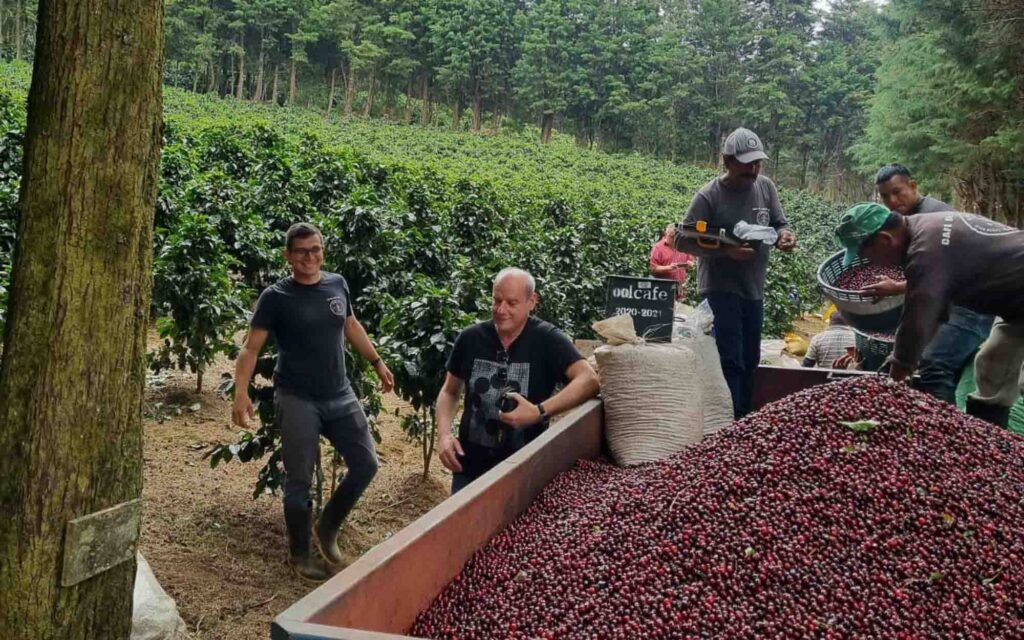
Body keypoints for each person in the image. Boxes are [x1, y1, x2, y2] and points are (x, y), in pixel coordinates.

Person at [231, 222, 395, 583]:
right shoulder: (276, 297)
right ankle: (301, 555)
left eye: (316, 249)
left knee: (366, 464)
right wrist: (240, 391)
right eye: (302, 251)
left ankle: (328, 527)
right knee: (300, 480)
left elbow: (351, 324)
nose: (310, 257)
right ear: (288, 256)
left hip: (339, 393)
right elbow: (251, 347)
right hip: (297, 398)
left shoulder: (337, 284)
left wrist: (377, 362)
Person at [834, 203, 1024, 427]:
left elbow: (920, 314)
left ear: (885, 240)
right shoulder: (926, 229)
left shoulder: (926, 250)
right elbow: (939, 284)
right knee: (992, 365)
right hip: (1017, 309)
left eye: (867, 256)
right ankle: (990, 443)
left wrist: (900, 365)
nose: (870, 264)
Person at [435, 268, 600, 494]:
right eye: (497, 300)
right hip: (470, 468)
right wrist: (444, 435)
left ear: (532, 301)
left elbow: (589, 379)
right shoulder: (471, 338)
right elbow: (449, 392)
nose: (501, 310)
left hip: (526, 468)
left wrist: (539, 411)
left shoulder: (548, 340)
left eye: (512, 303)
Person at [678, 127, 797, 418]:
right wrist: (724, 252)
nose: (753, 169)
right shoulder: (709, 196)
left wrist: (785, 236)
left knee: (751, 357)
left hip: (752, 288)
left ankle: (743, 416)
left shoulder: (766, 187)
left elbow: (781, 222)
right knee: (731, 359)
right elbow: (683, 239)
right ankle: (730, 420)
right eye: (746, 163)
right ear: (727, 161)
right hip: (719, 288)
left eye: (757, 163)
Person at [870, 164, 995, 403]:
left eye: (898, 192)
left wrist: (903, 354)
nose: (892, 201)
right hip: (957, 301)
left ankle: (946, 433)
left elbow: (933, 284)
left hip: (973, 306)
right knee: (933, 364)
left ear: (913, 186)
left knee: (935, 366)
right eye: (885, 196)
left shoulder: (930, 218)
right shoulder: (912, 218)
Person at [649, 223, 695, 301]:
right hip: (663, 292)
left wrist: (690, 265)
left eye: (676, 237)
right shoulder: (658, 248)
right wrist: (668, 268)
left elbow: (691, 262)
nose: (674, 239)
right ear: (666, 233)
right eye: (671, 237)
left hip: (680, 290)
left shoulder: (683, 246)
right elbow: (653, 269)